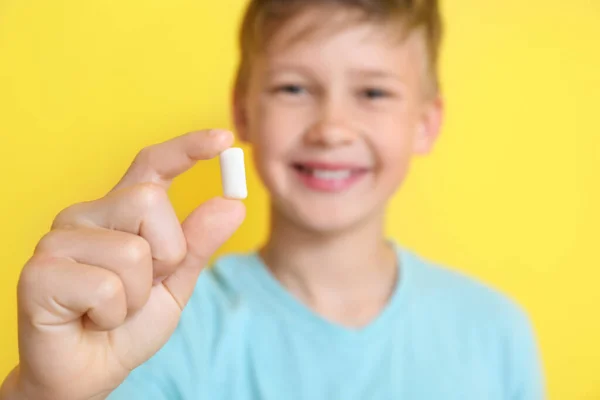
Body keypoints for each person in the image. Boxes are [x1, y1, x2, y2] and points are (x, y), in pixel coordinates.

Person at [0, 0, 545, 399]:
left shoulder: (494, 332)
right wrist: (46, 393)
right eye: (293, 88)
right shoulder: (158, 327)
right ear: (243, 111)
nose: (332, 129)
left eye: (373, 92)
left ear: (425, 125)